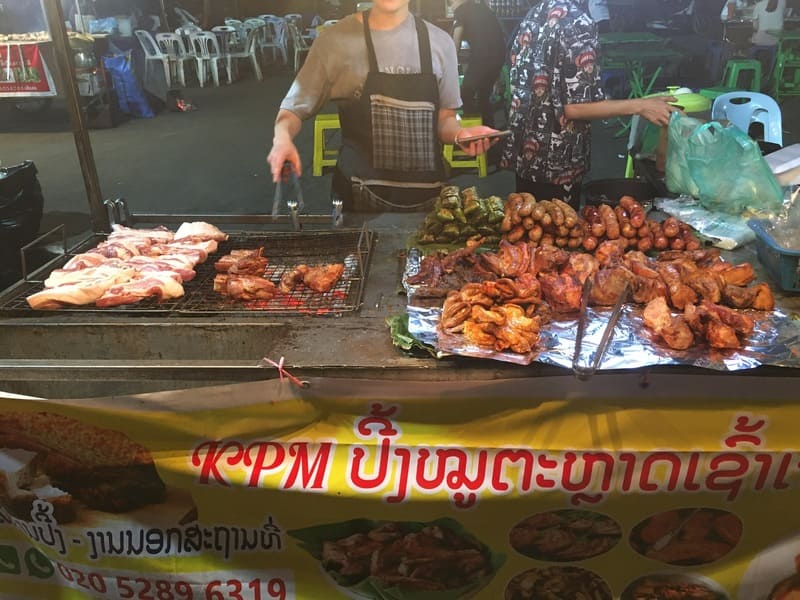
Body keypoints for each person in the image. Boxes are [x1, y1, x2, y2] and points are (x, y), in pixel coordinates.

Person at [267, 0, 499, 213]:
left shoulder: (440, 42)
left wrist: (460, 134)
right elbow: (292, 110)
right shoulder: (335, 41)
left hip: (428, 203)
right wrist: (282, 139)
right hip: (358, 203)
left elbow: (444, 119)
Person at [500, 0, 677, 209]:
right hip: (558, 162)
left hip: (526, 153)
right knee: (558, 234)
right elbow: (576, 107)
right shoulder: (577, 22)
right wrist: (640, 106)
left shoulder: (535, 14)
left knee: (529, 229)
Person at [449, 0, 506, 127]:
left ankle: (473, 130)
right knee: (483, 95)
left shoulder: (460, 11)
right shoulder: (483, 8)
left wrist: (450, 63)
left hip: (482, 58)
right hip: (499, 57)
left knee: (465, 94)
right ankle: (488, 130)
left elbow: (456, 41)